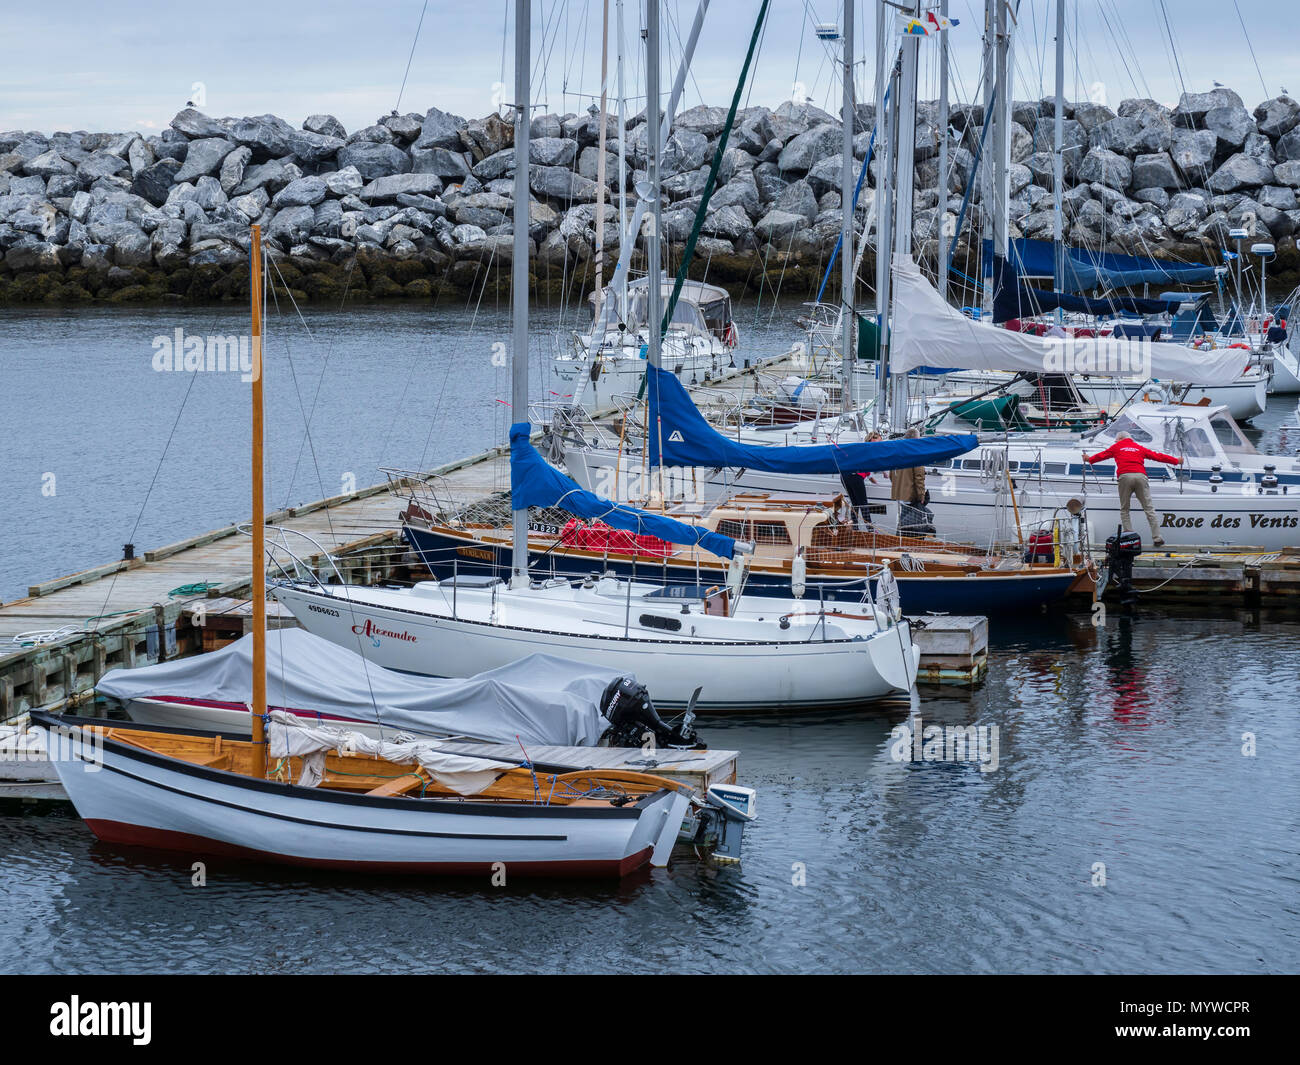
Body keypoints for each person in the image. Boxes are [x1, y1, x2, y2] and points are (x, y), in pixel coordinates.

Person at [1083, 430, 1181, 547]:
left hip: (1125, 476)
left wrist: (1089, 459)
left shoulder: (1116, 447)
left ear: (1119, 439)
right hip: (1140, 476)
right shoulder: (1139, 447)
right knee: (1148, 509)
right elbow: (1158, 456)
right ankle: (1157, 537)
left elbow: (1102, 455)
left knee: (1125, 509)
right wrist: (1176, 461)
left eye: (1116, 440)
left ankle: (1129, 536)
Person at [891, 427, 934, 536]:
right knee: (911, 521)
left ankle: (899, 538)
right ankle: (904, 540)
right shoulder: (916, 454)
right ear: (916, 439)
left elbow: (892, 474)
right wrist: (921, 496)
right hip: (911, 495)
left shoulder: (898, 452)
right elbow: (919, 478)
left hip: (900, 494)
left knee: (904, 518)